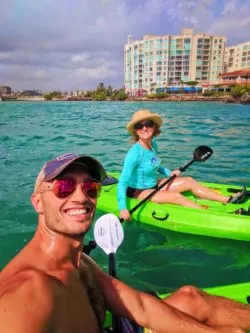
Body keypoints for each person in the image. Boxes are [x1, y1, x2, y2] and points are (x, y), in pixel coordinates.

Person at [0, 152, 248, 333]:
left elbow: (140, 307)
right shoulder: (27, 293)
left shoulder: (80, 262)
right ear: (38, 203)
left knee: (190, 297)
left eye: (90, 187)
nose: (80, 196)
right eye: (63, 187)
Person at [117, 109, 246, 221]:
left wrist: (169, 173)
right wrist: (123, 208)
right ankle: (212, 215)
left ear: (154, 126)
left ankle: (227, 200)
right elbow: (122, 182)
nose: (144, 128)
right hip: (139, 191)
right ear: (136, 131)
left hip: (154, 184)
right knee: (176, 197)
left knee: (189, 181)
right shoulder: (134, 154)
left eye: (148, 124)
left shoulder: (153, 145)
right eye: (139, 126)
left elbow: (156, 165)